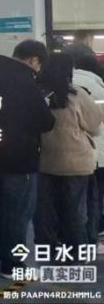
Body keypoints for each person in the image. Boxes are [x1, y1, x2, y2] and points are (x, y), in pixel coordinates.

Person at [0, 39, 55, 278]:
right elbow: (46, 121)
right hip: (18, 158)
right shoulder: (24, 81)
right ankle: (12, 264)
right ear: (34, 60)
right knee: (18, 212)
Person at [34, 53, 102, 254]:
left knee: (46, 209)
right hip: (76, 162)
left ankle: (48, 247)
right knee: (74, 210)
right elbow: (95, 124)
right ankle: (76, 250)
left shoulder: (37, 93)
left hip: (44, 160)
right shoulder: (77, 94)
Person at [73, 56, 104, 250]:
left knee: (78, 197)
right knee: (96, 195)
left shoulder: (65, 83)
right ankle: (94, 232)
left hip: (73, 153)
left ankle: (77, 235)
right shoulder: (98, 87)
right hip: (97, 150)